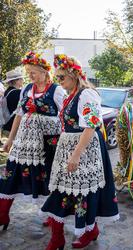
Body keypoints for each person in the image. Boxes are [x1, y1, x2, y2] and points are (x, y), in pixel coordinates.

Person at [41, 55, 119, 250]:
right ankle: (58, 237)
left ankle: (89, 230)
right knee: (60, 189)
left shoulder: (87, 94)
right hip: (69, 147)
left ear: (74, 75)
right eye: (57, 78)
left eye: (61, 77)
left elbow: (91, 126)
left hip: (85, 150)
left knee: (83, 193)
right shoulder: (71, 94)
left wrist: (75, 155)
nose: (59, 82)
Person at [0, 51, 64, 230]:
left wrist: (41, 118)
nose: (30, 76)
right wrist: (10, 140)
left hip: (48, 144)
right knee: (10, 173)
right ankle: (2, 214)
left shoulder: (56, 90)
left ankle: (52, 215)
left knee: (50, 178)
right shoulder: (27, 90)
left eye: (33, 72)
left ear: (44, 72)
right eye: (28, 72)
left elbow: (63, 117)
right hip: (24, 143)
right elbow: (19, 115)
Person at [2, 67, 24, 132]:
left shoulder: (8, 91)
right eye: (21, 79)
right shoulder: (17, 93)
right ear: (16, 81)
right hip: (13, 124)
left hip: (7, 122)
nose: (23, 80)